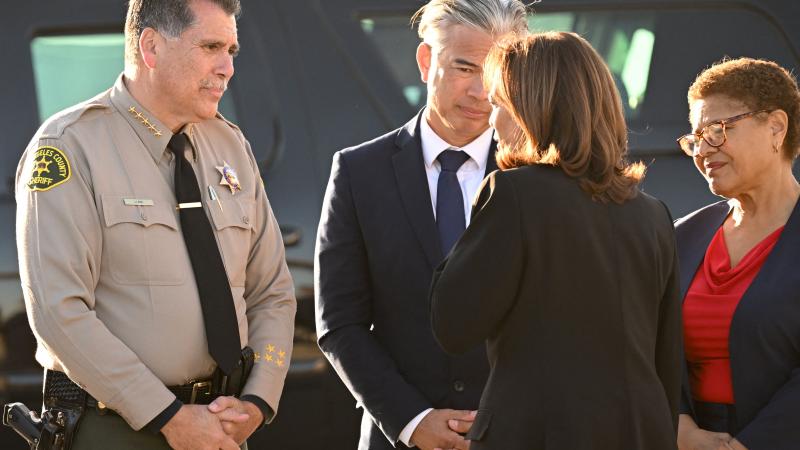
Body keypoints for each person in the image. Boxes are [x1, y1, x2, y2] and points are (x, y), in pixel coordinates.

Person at [14, 0, 297, 449]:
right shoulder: (68, 147)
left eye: (231, 51)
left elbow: (272, 292)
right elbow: (58, 311)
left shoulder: (229, 145)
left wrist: (257, 401)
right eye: (210, 47)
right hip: (118, 429)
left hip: (222, 428)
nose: (227, 68)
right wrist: (168, 416)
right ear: (151, 47)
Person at [429, 32, 682, 450]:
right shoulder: (653, 213)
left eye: (499, 104)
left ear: (531, 109)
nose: (492, 121)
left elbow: (453, 324)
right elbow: (667, 363)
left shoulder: (512, 193)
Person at [314, 1, 527, 449]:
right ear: (426, 60)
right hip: (399, 437)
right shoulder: (359, 172)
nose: (482, 92)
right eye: (465, 68)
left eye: (496, 73)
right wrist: (412, 421)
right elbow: (340, 322)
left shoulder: (535, 173)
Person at [674, 58, 800, 450]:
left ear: (776, 127)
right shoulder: (682, 236)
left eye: (718, 130)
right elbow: (648, 350)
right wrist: (680, 429)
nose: (702, 150)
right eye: (696, 137)